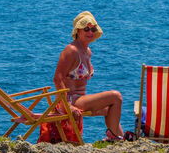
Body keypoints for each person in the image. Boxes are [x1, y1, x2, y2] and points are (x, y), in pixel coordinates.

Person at [53, 11, 124, 141]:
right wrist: (68, 105)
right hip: (69, 100)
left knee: (111, 108)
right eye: (86, 28)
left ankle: (121, 139)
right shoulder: (71, 50)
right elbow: (57, 78)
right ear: (78, 31)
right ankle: (116, 140)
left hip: (81, 99)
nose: (90, 32)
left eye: (93, 29)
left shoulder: (87, 52)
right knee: (116, 96)